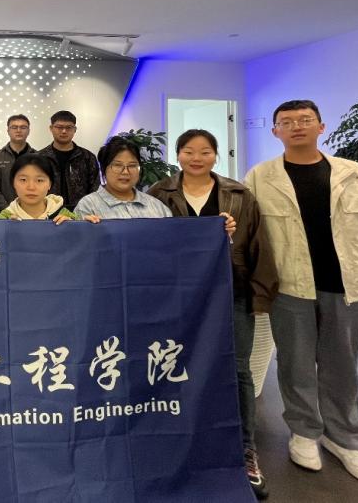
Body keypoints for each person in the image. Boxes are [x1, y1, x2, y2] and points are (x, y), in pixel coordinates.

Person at [244, 100, 358, 489]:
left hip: (347, 285)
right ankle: (304, 433)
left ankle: (346, 439)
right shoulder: (260, 177)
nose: (297, 126)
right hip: (289, 286)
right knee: (294, 364)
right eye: (287, 122)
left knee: (342, 364)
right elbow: (247, 228)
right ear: (275, 131)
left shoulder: (353, 174)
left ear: (320, 127)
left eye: (305, 120)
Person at [148, 129, 278, 500]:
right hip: (177, 298)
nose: (196, 158)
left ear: (215, 155)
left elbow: (258, 245)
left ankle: (245, 449)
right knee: (176, 367)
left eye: (205, 151)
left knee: (237, 370)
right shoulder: (158, 194)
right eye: (188, 151)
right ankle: (180, 444)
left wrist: (260, 295)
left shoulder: (239, 195)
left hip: (231, 292)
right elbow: (149, 242)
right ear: (178, 154)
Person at [74, 137, 172, 220]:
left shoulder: (158, 207)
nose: (125, 172)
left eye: (132, 166)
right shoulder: (87, 206)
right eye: (117, 165)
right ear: (104, 168)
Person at [38, 110, 100, 210]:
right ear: (51, 128)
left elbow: (95, 189)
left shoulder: (87, 157)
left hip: (81, 212)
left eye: (69, 127)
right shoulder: (39, 158)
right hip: (46, 212)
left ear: (75, 129)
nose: (64, 131)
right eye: (59, 127)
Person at [0, 154, 81, 223]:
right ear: (13, 183)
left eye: (39, 180)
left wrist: (72, 228)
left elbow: (82, 236)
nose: (31, 187)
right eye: (23, 180)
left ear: (50, 184)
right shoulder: (2, 219)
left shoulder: (66, 216)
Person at [0, 114, 36, 215]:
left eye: (23, 127)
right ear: (8, 130)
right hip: (1, 214)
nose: (18, 130)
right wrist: (8, 211)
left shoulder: (38, 157)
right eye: (14, 127)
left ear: (29, 131)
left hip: (31, 213)